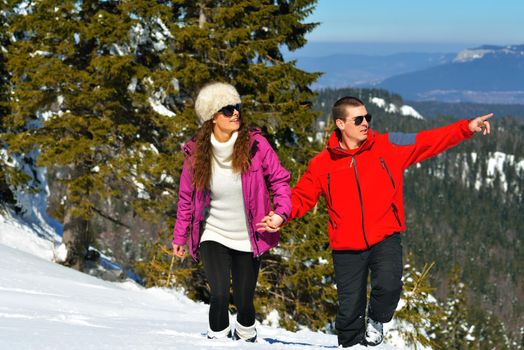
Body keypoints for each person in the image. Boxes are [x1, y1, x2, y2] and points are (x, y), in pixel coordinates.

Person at [258, 96, 492, 347]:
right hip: (346, 246)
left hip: (385, 235)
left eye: (367, 117)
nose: (365, 123)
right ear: (340, 123)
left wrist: (465, 128)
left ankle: (377, 320)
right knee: (349, 312)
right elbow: (302, 196)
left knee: (390, 286)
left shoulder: (388, 146)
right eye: (358, 119)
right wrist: (281, 215)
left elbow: (426, 141)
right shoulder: (322, 164)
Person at [172, 82, 290, 342]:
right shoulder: (196, 155)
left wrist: (281, 212)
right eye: (227, 110)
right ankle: (218, 341)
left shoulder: (257, 146)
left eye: (236, 108)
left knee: (245, 300)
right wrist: (180, 236)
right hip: (213, 232)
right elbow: (186, 199)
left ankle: (246, 338)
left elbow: (280, 181)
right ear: (212, 117)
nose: (235, 113)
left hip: (250, 236)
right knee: (220, 294)